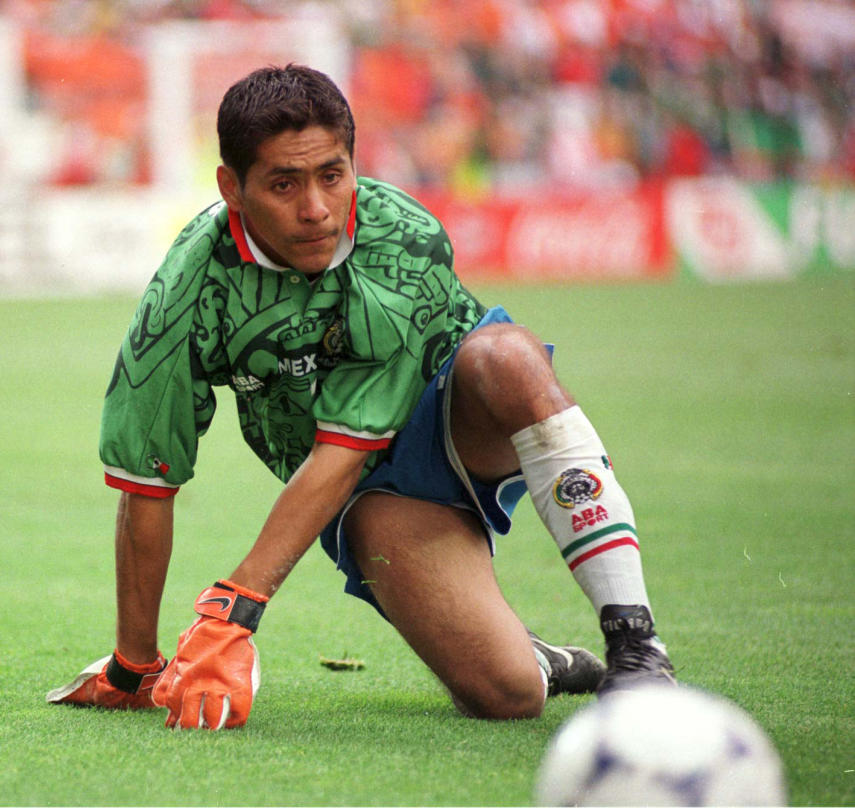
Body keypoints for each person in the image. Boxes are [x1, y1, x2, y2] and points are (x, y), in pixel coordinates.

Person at [46, 64, 674, 730]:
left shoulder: (399, 235)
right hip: (370, 492)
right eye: (283, 184)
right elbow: (148, 480)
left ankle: (636, 645)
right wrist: (133, 666)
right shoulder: (185, 294)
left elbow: (349, 443)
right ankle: (539, 660)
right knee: (505, 697)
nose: (315, 208)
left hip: (454, 419)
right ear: (231, 187)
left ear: (353, 165)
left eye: (331, 175)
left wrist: (233, 608)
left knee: (509, 356)